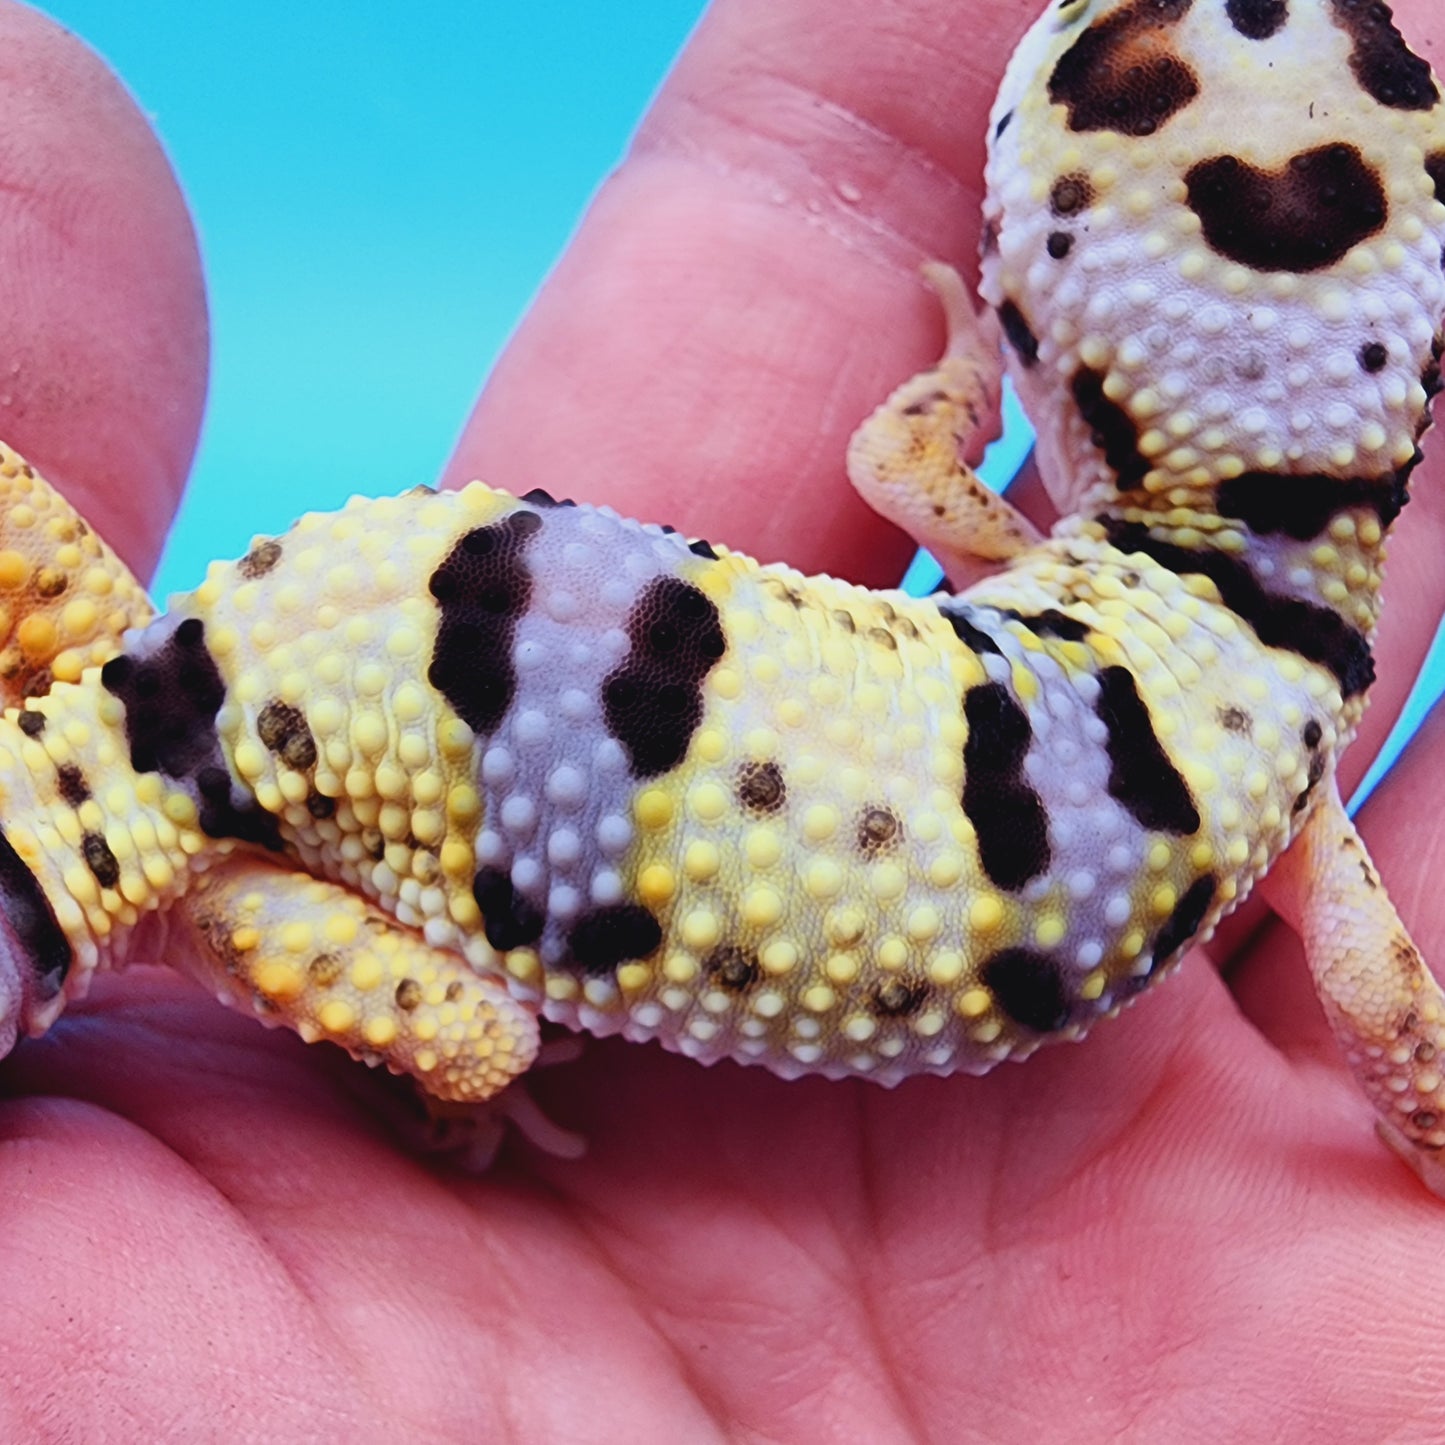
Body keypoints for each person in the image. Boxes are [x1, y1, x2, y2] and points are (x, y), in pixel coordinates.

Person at [3, 0, 1444, 1437]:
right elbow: (1389, 1018)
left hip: (275, 653)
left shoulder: (1078, 588)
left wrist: (954, 390)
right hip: (254, 805)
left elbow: (900, 459)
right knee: (480, 1058)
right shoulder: (1279, 753)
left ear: (1035, 314)